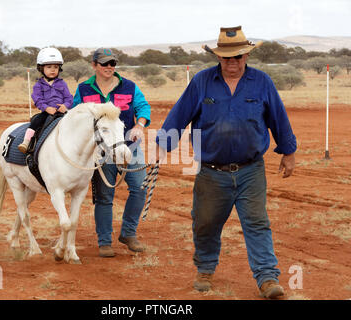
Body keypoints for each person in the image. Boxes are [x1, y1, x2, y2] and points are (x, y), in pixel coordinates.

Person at [155, 26, 296, 299]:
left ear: (246, 56)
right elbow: (179, 114)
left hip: (251, 170)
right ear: (218, 58)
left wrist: (288, 152)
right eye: (227, 58)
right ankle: (205, 269)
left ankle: (267, 278)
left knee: (257, 222)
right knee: (205, 222)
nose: (233, 63)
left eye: (238, 57)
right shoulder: (202, 82)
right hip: (211, 171)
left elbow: (278, 117)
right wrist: (164, 144)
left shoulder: (262, 82)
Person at [72, 48, 151, 257]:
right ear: (94, 65)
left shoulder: (130, 86)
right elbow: (75, 114)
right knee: (105, 196)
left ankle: (128, 233)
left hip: (129, 147)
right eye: (105, 63)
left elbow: (143, 108)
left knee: (139, 188)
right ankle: (104, 242)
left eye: (112, 64)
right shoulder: (84, 89)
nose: (109, 67)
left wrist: (139, 126)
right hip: (101, 151)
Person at [18, 47, 73, 153]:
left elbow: (69, 98)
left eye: (56, 67)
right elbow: (37, 99)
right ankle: (26, 142)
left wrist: (65, 106)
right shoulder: (38, 85)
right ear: (41, 68)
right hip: (47, 113)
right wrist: (47, 108)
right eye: (49, 67)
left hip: (62, 112)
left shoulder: (62, 83)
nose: (53, 70)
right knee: (36, 121)